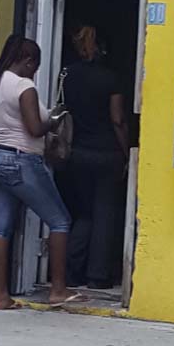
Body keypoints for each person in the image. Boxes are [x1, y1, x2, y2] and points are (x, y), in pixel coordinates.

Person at [0, 35, 86, 309]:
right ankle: (58, 291)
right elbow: (34, 129)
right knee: (60, 221)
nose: (35, 71)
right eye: (35, 65)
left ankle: (1, 296)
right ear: (28, 61)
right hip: (21, 160)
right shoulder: (24, 86)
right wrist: (54, 121)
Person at [60, 24, 129, 290]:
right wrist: (126, 152)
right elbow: (118, 119)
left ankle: (71, 272)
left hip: (77, 151)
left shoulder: (68, 76)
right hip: (106, 153)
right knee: (105, 214)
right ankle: (98, 275)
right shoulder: (110, 78)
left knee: (84, 213)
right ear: (102, 47)